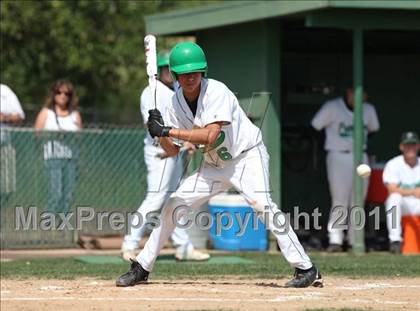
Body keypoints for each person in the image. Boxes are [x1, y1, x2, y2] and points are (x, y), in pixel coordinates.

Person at [116, 42, 323, 288]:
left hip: (247, 156)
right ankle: (142, 267)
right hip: (214, 165)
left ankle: (306, 269)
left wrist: (168, 129)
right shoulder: (173, 104)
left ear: (203, 71)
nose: (191, 76)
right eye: (185, 72)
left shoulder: (216, 91)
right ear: (175, 75)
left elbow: (210, 135)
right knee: (174, 205)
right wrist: (158, 133)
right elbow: (172, 150)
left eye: (196, 71)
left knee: (263, 206)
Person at [121, 52, 210, 262]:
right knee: (156, 198)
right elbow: (152, 128)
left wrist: (185, 142)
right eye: (163, 70)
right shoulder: (151, 92)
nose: (167, 73)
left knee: (174, 198)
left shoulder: (176, 91)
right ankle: (129, 244)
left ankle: (183, 246)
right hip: (158, 151)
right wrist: (171, 144)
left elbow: (179, 123)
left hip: (174, 149)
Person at [311, 88, 380, 252]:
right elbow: (315, 126)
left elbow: (373, 129)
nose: (357, 97)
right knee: (339, 198)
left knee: (358, 200)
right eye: (353, 93)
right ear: (347, 93)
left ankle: (354, 239)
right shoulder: (332, 107)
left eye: (362, 94)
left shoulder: (369, 109)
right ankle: (335, 239)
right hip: (338, 155)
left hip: (360, 157)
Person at [34, 80, 82, 214]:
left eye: (66, 93)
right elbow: (36, 134)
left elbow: (80, 135)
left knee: (68, 193)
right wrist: (52, 135)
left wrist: (69, 136)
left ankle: (63, 224)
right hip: (52, 157)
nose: (62, 96)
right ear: (53, 94)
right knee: (55, 192)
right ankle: (48, 221)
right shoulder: (46, 112)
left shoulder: (75, 114)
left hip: (70, 157)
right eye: (59, 92)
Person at [383, 131, 420, 254]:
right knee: (394, 198)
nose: (411, 148)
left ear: (418, 146)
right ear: (401, 147)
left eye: (413, 145)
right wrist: (413, 191)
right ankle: (395, 241)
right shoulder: (394, 164)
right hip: (404, 204)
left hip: (417, 203)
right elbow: (391, 189)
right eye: (407, 145)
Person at [1, 84, 25, 205]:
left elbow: (20, 116)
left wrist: (4, 117)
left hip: (4, 146)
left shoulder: (4, 91)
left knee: (7, 187)